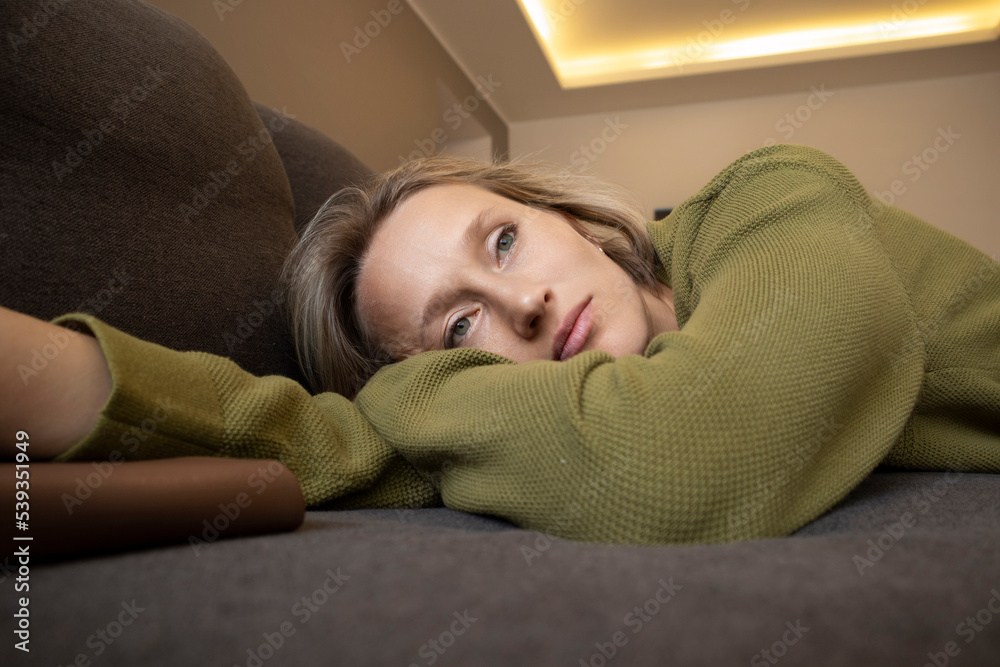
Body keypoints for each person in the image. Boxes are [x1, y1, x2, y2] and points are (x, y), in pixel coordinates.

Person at [4, 143, 999, 555]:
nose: (521, 302)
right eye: (460, 326)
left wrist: (403, 406)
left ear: (574, 219)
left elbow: (686, 454)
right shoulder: (515, 417)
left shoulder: (773, 193)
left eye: (505, 239)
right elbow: (324, 444)